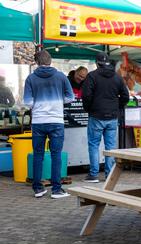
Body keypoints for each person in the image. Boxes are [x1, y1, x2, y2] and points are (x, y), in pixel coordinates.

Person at [23, 49, 74, 198]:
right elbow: (70, 97)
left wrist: (39, 104)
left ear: (37, 62)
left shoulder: (30, 78)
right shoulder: (61, 77)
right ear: (50, 60)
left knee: (38, 155)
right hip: (56, 121)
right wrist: (57, 102)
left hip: (38, 121)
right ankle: (57, 190)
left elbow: (28, 103)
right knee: (56, 155)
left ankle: (38, 188)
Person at [82, 52, 129, 183]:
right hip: (112, 117)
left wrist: (89, 108)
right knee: (110, 147)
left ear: (97, 63)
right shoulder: (117, 77)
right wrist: (117, 107)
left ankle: (93, 174)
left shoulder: (92, 76)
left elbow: (86, 96)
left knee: (93, 145)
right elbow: (125, 96)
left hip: (96, 116)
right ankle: (109, 175)